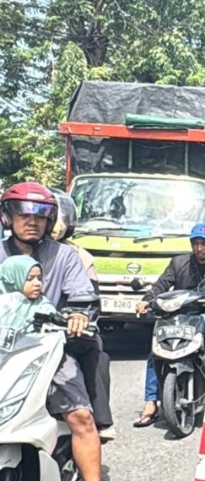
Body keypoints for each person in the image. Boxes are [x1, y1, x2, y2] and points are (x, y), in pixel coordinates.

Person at [0, 183, 127, 481]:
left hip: (49, 351)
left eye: (40, 215)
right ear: (7, 216)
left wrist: (77, 316)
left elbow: (83, 297)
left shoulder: (64, 256)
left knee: (82, 417)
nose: (32, 222)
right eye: (23, 214)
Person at [133, 223, 205, 427]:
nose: (200, 248)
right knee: (156, 347)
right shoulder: (179, 262)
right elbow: (162, 284)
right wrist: (147, 299)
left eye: (204, 244)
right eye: (196, 244)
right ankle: (151, 402)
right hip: (180, 315)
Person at [49, 189, 116, 441]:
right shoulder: (13, 251)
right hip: (20, 333)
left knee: (91, 347)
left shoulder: (76, 255)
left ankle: (100, 421)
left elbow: (89, 301)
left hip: (64, 331)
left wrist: (78, 318)